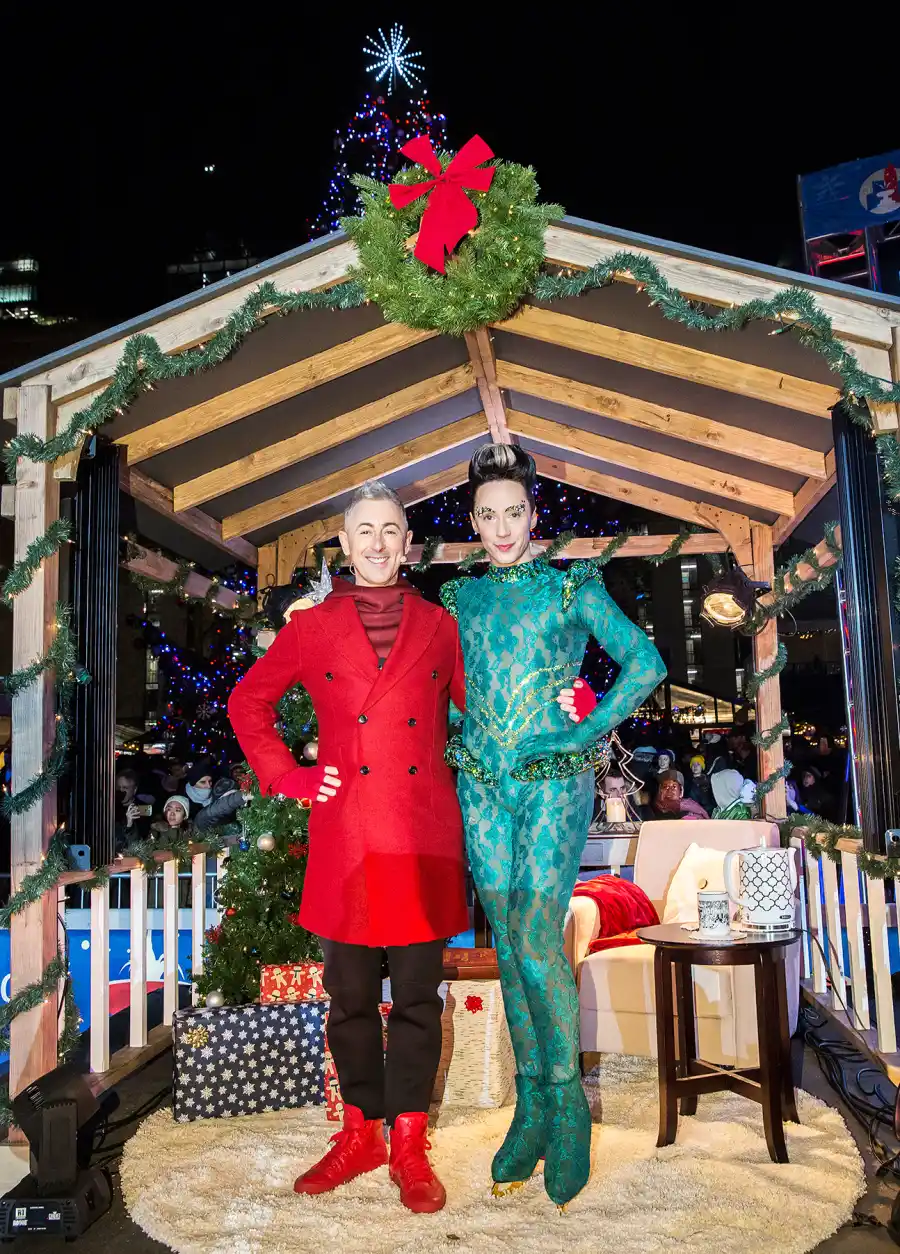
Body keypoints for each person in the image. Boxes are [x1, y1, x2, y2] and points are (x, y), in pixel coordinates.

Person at [227, 480, 469, 1215]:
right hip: (349, 833)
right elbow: (248, 702)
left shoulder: (441, 624)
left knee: (419, 998)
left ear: (407, 543)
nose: (378, 543)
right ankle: (362, 1132)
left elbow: (484, 712)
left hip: (422, 831)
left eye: (391, 530)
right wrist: (289, 777)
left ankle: (410, 1143)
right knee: (351, 999)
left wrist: (562, 704)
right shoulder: (312, 627)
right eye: (365, 530)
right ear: (345, 542)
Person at [440, 445, 665, 1209]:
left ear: (534, 516)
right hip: (480, 785)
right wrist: (457, 730)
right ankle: (530, 1102)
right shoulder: (462, 598)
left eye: (515, 512)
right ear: (473, 522)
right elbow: (451, 687)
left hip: (553, 783)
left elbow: (644, 662)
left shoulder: (573, 585)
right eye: (488, 515)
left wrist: (584, 728)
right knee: (507, 944)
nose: (502, 527)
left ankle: (568, 1108)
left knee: (536, 938)